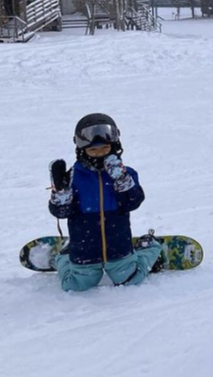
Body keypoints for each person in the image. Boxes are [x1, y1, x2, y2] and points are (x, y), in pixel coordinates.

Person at [47, 114, 163, 292]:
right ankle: (64, 255)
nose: (99, 153)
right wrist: (61, 192)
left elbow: (133, 202)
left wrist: (121, 179)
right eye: (93, 150)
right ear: (81, 149)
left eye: (104, 148)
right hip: (84, 248)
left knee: (130, 279)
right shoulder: (71, 177)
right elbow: (61, 212)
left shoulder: (126, 174)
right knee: (76, 286)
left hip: (118, 247)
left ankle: (149, 247)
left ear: (114, 147)